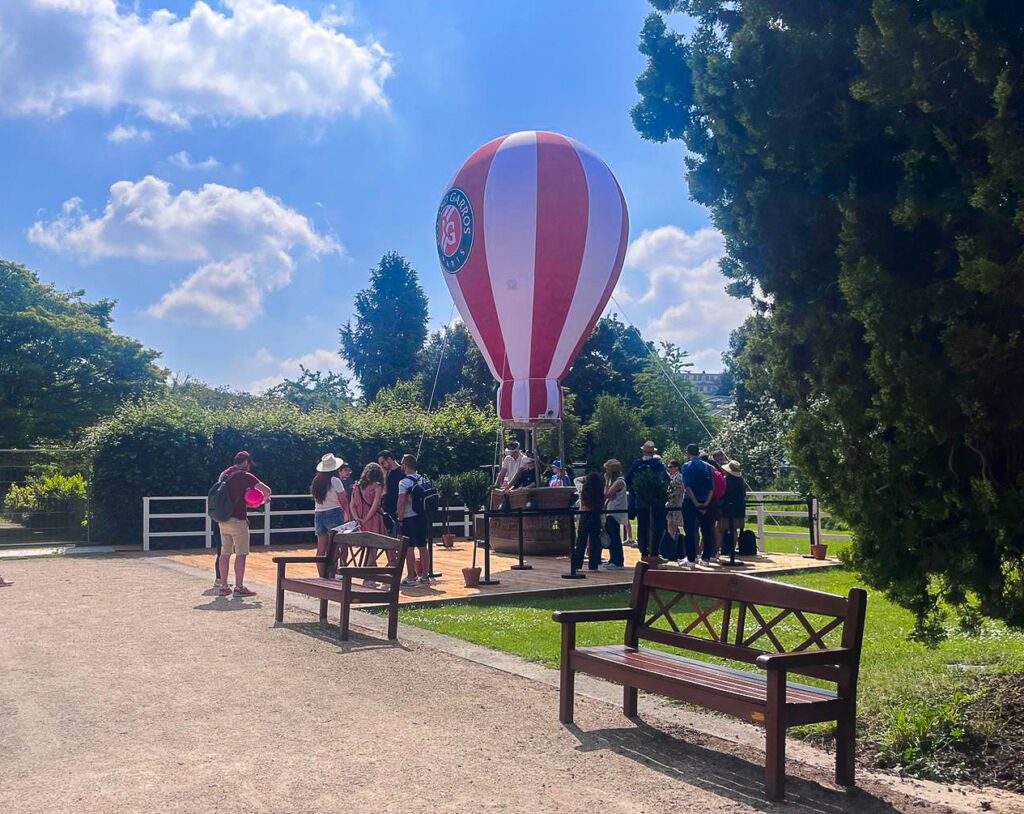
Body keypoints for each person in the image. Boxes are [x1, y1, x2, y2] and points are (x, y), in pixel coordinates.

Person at [216, 451, 271, 597]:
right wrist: (262, 500)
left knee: (224, 553)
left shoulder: (224, 474)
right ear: (246, 462)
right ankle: (239, 587)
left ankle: (223, 586)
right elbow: (267, 490)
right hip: (238, 519)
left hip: (223, 518)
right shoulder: (246, 476)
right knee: (241, 554)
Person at [625, 440, 669, 557]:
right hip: (657, 502)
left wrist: (635, 490)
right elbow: (666, 479)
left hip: (641, 502)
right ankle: (654, 552)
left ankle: (644, 551)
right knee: (657, 528)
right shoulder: (658, 464)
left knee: (642, 527)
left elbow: (628, 479)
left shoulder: (636, 464)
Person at [396, 454, 430, 586]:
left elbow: (401, 502)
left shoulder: (404, 482)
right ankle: (425, 576)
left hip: (409, 518)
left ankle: (411, 576)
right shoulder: (423, 479)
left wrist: (400, 518)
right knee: (423, 546)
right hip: (422, 516)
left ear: (404, 465)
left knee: (409, 548)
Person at [311, 453, 351, 566]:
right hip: (334, 512)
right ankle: (335, 572)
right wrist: (347, 513)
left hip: (319, 513)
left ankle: (322, 574)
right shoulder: (335, 480)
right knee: (335, 546)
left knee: (321, 549)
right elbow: (343, 500)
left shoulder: (316, 481)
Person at [682, 444, 716, 566]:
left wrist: (695, 503)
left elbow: (688, 487)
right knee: (707, 530)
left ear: (688, 453)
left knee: (690, 531)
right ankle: (706, 558)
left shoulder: (686, 466)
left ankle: (691, 559)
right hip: (706, 501)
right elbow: (711, 488)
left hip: (691, 502)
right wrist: (706, 503)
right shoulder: (708, 467)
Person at [572, 472, 605, 572]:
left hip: (585, 515)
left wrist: (585, 478)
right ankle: (593, 565)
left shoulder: (583, 490)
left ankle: (577, 564)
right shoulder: (600, 491)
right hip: (596, 515)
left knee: (581, 540)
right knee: (595, 540)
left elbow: (576, 480)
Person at [602, 459, 627, 569]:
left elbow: (607, 494)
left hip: (615, 512)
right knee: (611, 535)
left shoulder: (619, 482)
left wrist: (607, 482)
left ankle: (618, 561)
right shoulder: (614, 482)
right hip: (610, 511)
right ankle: (612, 558)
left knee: (615, 536)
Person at [719, 460, 747, 558]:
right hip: (739, 509)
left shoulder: (726, 480)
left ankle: (716, 552)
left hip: (727, 509)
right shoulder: (741, 481)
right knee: (734, 530)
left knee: (720, 530)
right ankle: (732, 550)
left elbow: (722, 494)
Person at [351, 463, 386, 535]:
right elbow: (374, 506)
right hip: (373, 518)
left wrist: (356, 518)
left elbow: (352, 505)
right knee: (375, 543)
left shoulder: (357, 486)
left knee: (362, 543)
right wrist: (365, 520)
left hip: (359, 519)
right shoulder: (377, 486)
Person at [664, 459, 686, 565]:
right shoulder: (672, 477)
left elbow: (676, 492)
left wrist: (668, 502)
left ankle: (677, 553)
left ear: (677, 467)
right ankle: (673, 552)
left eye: (671, 466)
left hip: (676, 506)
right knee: (671, 529)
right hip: (672, 507)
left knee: (676, 529)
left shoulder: (678, 477)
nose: (669, 468)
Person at [377, 450, 404, 534]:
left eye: (382, 462)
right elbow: (385, 489)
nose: (382, 466)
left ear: (389, 459)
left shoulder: (402, 472)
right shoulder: (388, 472)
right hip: (387, 509)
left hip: (396, 510)